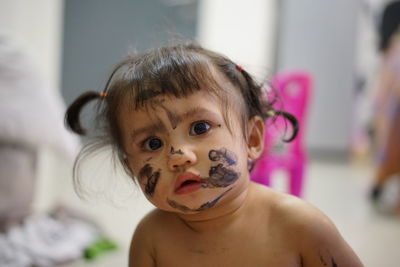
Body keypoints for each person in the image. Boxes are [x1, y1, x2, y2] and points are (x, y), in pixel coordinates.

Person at [65, 42, 363, 266]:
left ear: (253, 138)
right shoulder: (151, 238)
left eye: (200, 127)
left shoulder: (301, 225)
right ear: (130, 167)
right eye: (152, 144)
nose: (179, 156)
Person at [369, 0, 400, 214]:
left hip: (391, 109)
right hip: (392, 110)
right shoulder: (393, 53)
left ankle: (379, 184)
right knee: (389, 151)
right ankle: (379, 184)